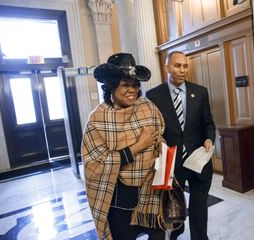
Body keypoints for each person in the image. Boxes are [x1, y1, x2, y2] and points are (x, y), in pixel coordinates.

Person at [81, 53, 166, 240]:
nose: (132, 90)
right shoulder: (98, 119)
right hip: (120, 201)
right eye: (125, 85)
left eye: (135, 85)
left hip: (151, 192)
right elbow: (95, 166)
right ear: (111, 86)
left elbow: (159, 136)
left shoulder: (147, 107)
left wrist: (160, 146)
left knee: (159, 236)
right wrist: (139, 146)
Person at [146, 51, 216, 240]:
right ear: (167, 67)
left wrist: (210, 139)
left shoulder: (200, 92)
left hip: (198, 161)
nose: (182, 70)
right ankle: (175, 234)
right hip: (172, 164)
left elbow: (208, 123)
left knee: (199, 206)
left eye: (185, 66)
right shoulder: (153, 96)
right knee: (174, 207)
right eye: (177, 66)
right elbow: (154, 131)